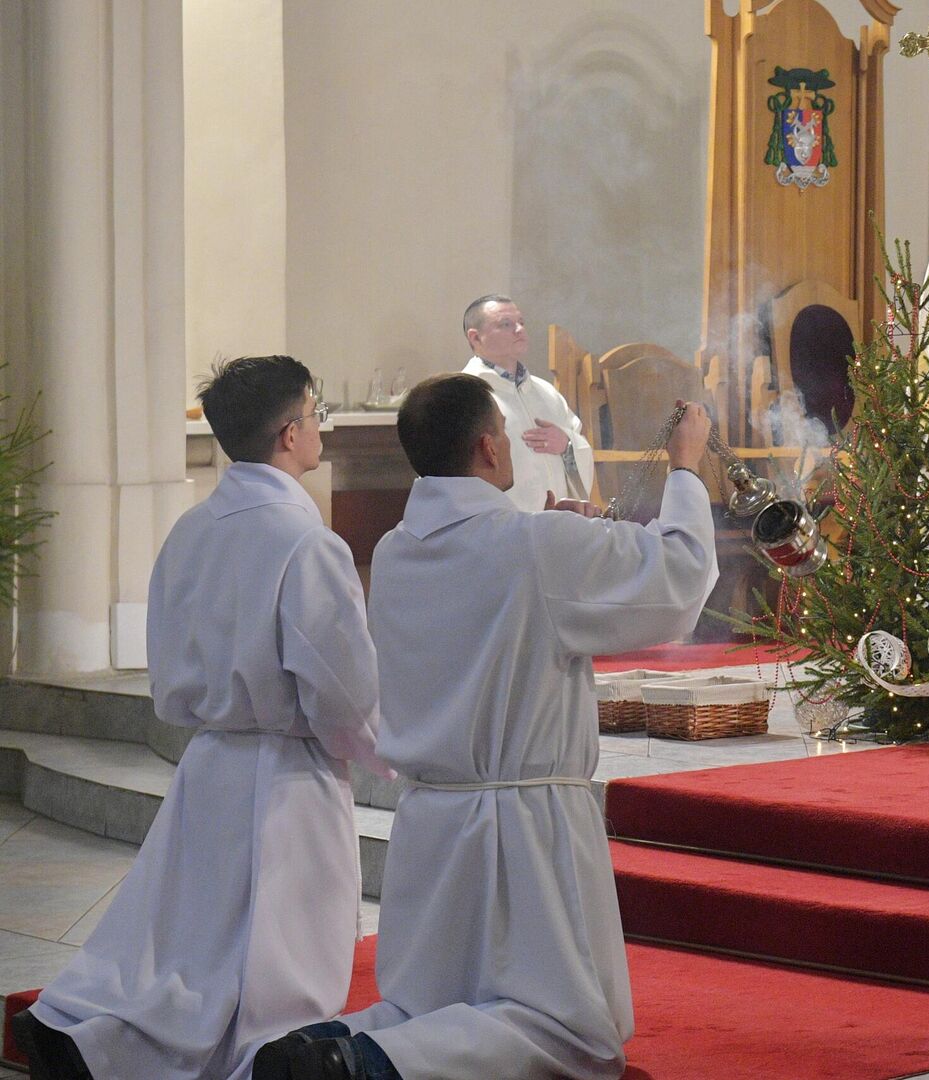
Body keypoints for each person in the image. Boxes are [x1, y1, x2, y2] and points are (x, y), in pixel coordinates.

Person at [254, 374, 719, 1080]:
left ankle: (323, 1045)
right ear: (487, 447)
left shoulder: (398, 548)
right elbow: (678, 578)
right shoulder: (537, 544)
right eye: (503, 433)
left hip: (433, 820)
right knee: (573, 1035)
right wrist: (685, 468)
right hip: (523, 824)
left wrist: (567, 538)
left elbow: (513, 590)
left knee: (429, 1003)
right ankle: (361, 1063)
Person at [13, 356, 383, 1080]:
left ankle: (96, 1037)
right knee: (276, 968)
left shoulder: (191, 528)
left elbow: (165, 661)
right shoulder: (308, 542)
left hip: (210, 761)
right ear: (289, 433)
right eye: (316, 414)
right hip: (287, 774)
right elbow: (341, 687)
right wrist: (377, 748)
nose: (323, 428)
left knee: (191, 944)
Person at [460, 294, 596, 512]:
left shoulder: (545, 391)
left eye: (521, 322)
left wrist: (567, 444)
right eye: (506, 324)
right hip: (502, 523)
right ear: (475, 337)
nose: (519, 330)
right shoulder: (465, 395)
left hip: (556, 521)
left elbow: (578, 447)